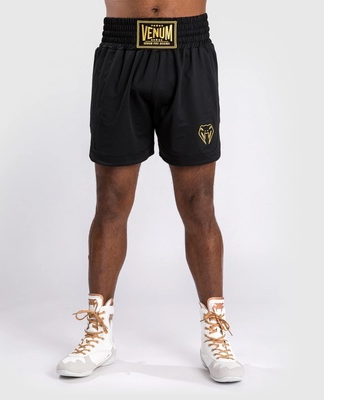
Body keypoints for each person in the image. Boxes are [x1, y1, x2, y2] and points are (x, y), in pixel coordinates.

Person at [56, 0, 244, 383]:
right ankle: (98, 333)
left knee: (199, 204)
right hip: (121, 48)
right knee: (111, 201)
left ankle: (215, 331)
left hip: (188, 49)